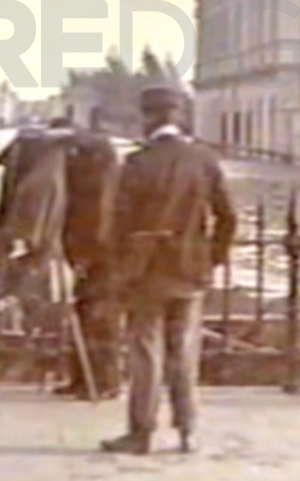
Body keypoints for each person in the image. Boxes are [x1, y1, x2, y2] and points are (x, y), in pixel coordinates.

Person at [101, 86, 237, 456]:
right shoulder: (203, 159)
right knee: (185, 351)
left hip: (146, 270)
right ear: (178, 117)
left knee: (146, 351)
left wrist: (120, 263)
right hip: (191, 269)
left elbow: (117, 222)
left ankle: (141, 433)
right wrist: (212, 257)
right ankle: (187, 431)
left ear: (147, 118)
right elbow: (228, 217)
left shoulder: (137, 162)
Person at [55, 122, 122, 400]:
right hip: (94, 250)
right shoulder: (98, 173)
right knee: (87, 312)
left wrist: (85, 254)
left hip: (99, 253)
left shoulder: (96, 179)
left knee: (98, 315)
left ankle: (102, 381)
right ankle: (84, 377)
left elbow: (96, 218)